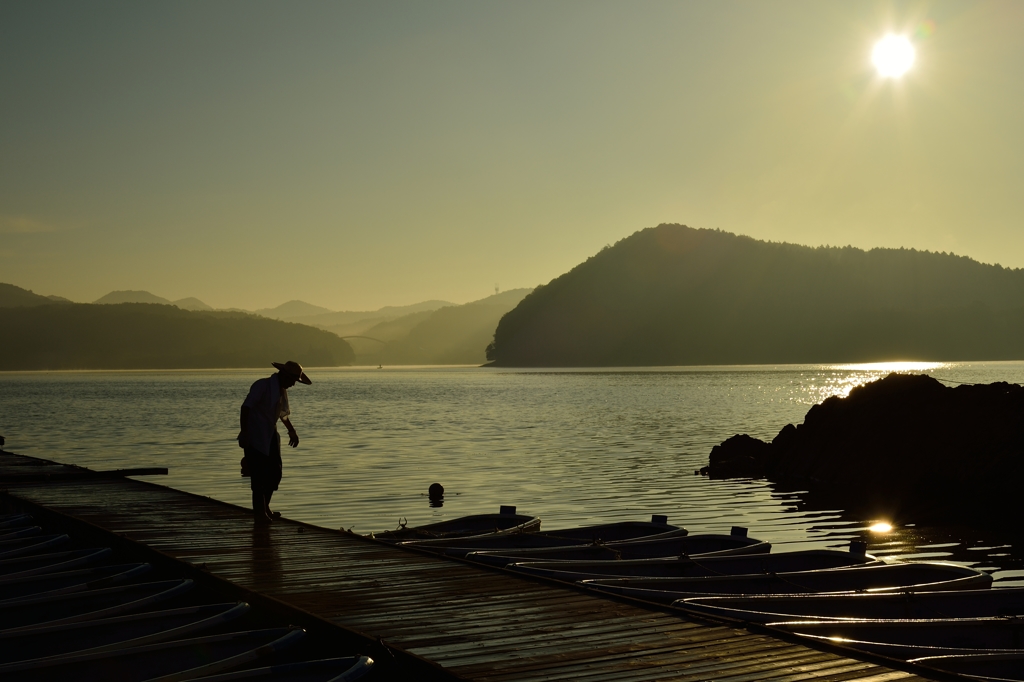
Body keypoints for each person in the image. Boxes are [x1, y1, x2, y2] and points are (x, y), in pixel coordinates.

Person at [238, 361, 311, 523]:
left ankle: (265, 507)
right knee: (258, 476)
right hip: (255, 435)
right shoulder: (262, 386)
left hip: (270, 434)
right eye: (293, 380)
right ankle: (259, 513)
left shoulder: (281, 391)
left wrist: (291, 430)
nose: (293, 384)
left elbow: (282, 414)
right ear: (285, 376)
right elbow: (246, 407)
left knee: (274, 473)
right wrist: (244, 431)